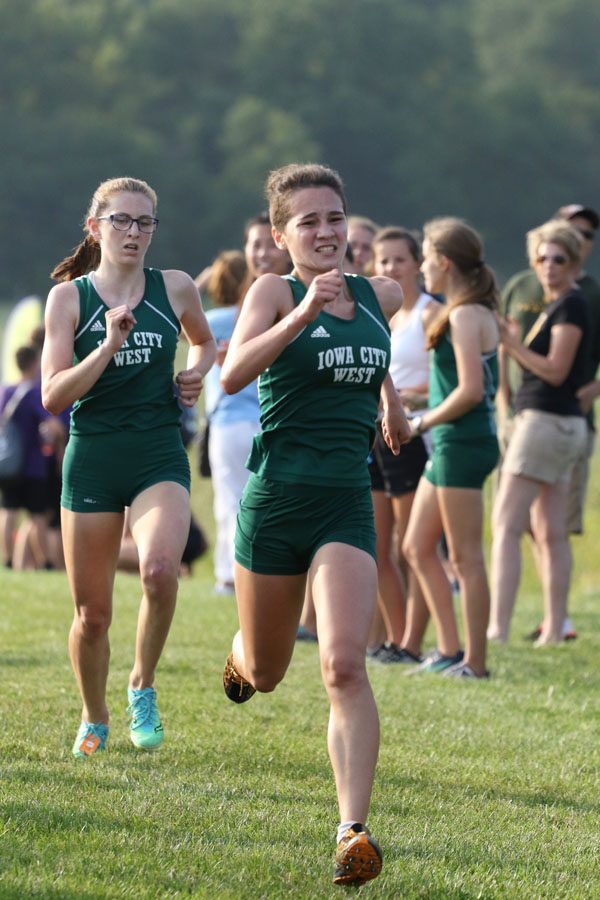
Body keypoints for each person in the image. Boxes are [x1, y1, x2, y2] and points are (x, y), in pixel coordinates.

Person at [219, 163, 410, 886]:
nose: (326, 232)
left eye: (335, 218)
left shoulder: (380, 293)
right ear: (280, 235)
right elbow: (233, 376)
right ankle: (242, 652)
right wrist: (299, 316)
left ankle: (351, 832)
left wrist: (388, 397)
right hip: (275, 504)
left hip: (343, 501)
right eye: (309, 222)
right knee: (268, 673)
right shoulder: (274, 291)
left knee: (342, 664)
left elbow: (369, 342)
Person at [41, 176, 216, 758]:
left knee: (161, 569)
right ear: (95, 228)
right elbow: (53, 396)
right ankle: (94, 714)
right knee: (92, 615)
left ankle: (142, 684)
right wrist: (108, 345)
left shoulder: (176, 287)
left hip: (156, 451)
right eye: (121, 220)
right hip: (91, 457)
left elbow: (205, 343)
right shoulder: (70, 298)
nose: (134, 232)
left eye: (145, 223)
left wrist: (195, 372)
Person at [403, 217, 500, 679]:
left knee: (464, 557)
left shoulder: (464, 314)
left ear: (444, 262)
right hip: (450, 441)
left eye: (423, 256)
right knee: (417, 546)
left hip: (461, 442)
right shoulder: (468, 309)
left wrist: (420, 420)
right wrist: (417, 399)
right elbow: (454, 386)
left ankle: (475, 664)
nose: (421, 267)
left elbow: (470, 392)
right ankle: (447, 649)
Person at [498, 204, 600, 641]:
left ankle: (496, 629)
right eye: (542, 258)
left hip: (546, 421)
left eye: (559, 259)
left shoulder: (571, 306)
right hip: (557, 424)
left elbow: (556, 370)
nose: (549, 266)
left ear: (575, 261)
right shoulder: (559, 304)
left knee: (505, 523)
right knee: (549, 529)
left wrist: (513, 346)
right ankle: (554, 630)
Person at [204, 221, 290, 595]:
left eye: (267, 245)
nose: (262, 254)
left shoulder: (290, 302)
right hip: (241, 419)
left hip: (269, 420)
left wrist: (204, 278)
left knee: (235, 499)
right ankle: (241, 575)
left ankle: (231, 575)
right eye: (254, 245)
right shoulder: (228, 318)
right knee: (248, 501)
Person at [368, 227, 439, 664]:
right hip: (374, 436)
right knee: (377, 547)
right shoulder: (376, 315)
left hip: (415, 439)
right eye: (383, 261)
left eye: (399, 260)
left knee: (412, 548)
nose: (390, 268)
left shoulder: (433, 314)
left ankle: (415, 640)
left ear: (417, 263)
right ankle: (397, 640)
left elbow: (456, 383)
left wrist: (409, 395)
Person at [0, 344, 56, 569]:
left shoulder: (6, 391)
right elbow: (51, 424)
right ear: (34, 363)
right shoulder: (34, 393)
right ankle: (45, 562)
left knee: (8, 510)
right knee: (38, 514)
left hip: (9, 463)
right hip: (33, 464)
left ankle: (7, 559)